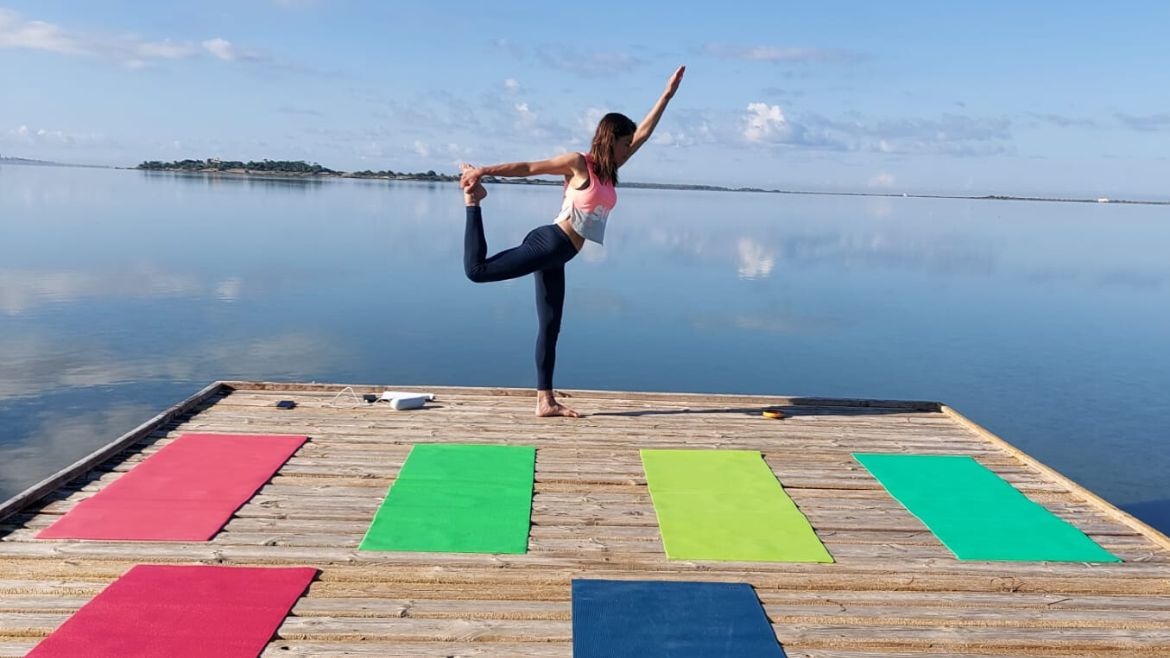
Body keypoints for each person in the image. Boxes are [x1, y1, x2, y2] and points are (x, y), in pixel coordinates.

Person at [459, 66, 685, 418]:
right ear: (611, 139)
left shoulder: (610, 171)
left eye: (630, 145)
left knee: (550, 326)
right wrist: (484, 170)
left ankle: (545, 401)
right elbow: (529, 168)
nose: (629, 149)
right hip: (549, 242)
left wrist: (667, 96)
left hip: (560, 255)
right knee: (477, 271)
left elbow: (644, 133)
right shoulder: (579, 164)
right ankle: (473, 203)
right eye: (625, 143)